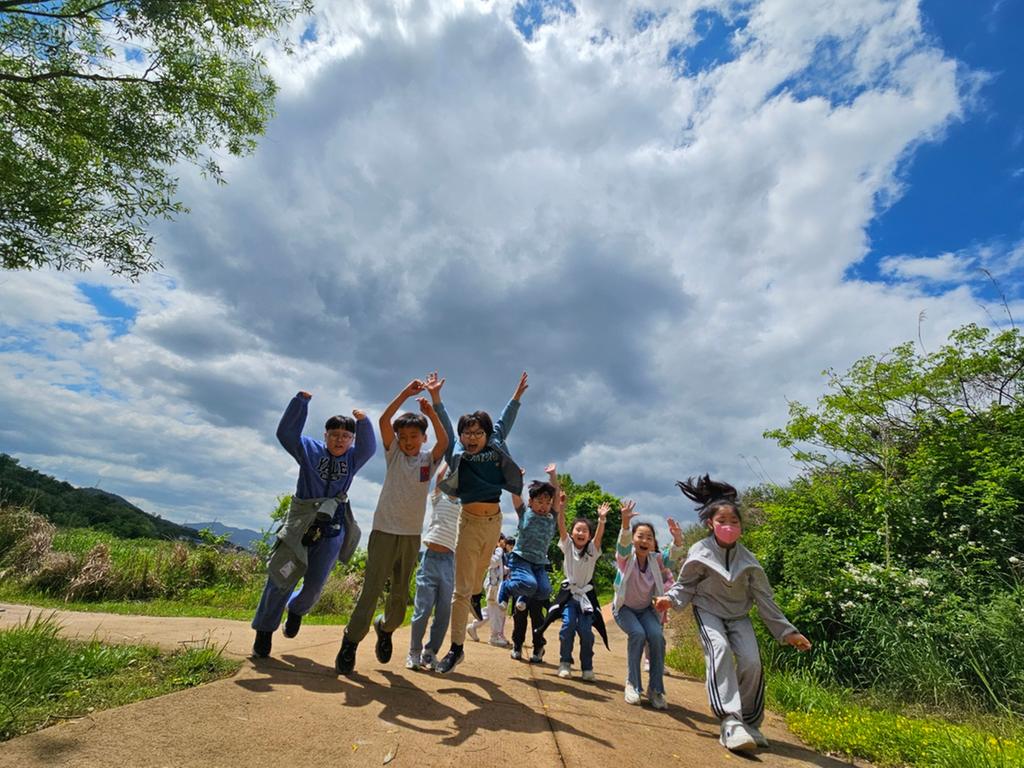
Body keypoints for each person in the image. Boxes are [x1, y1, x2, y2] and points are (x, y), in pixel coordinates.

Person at [655, 476, 812, 753]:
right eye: (722, 521)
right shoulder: (700, 551)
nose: (728, 526)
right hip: (708, 611)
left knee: (752, 661)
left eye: (734, 522)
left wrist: (788, 632)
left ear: (741, 526)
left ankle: (750, 722)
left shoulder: (748, 560)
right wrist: (670, 599)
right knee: (720, 649)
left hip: (739, 615)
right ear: (710, 524)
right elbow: (685, 585)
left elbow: (764, 599)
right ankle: (730, 720)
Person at [334, 374, 448, 675]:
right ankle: (350, 641)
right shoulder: (394, 454)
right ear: (397, 440)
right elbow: (385, 420)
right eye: (404, 437)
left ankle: (385, 629)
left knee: (399, 598)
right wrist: (405, 394)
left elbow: (445, 441)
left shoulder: (428, 461)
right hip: (384, 531)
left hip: (410, 536)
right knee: (371, 591)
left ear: (423, 438)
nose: (408, 441)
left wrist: (432, 412)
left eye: (414, 436)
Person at [251, 391, 375, 658]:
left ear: (352, 440)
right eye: (334, 434)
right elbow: (286, 434)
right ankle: (264, 631)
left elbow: (369, 449)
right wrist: (300, 403)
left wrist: (364, 422)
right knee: (281, 578)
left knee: (315, 586)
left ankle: (296, 610)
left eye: (346, 436)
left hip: (331, 528)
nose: (339, 440)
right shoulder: (309, 450)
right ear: (325, 435)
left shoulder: (353, 458)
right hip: (299, 525)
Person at [433, 372, 529, 674]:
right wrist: (436, 399)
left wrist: (516, 396)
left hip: (493, 523)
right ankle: (456, 648)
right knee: (461, 590)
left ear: (486, 434)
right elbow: (445, 428)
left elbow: (504, 420)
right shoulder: (457, 452)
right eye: (467, 433)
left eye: (477, 433)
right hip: (468, 523)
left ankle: (476, 594)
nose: (472, 438)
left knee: (477, 580)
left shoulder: (495, 443)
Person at [612, 500, 669, 709]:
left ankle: (656, 690)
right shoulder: (626, 558)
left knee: (656, 637)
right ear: (634, 540)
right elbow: (623, 545)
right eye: (640, 536)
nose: (644, 540)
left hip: (645, 610)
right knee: (637, 634)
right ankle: (632, 685)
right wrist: (625, 523)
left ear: (653, 543)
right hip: (624, 608)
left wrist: (678, 540)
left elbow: (672, 559)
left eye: (649, 537)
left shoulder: (656, 560)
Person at [501, 464, 561, 663]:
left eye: (547, 502)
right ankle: (517, 645)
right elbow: (515, 497)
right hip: (522, 566)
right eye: (539, 501)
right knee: (520, 613)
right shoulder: (525, 514)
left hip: (538, 567)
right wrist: (518, 479)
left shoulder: (551, 518)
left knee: (538, 609)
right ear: (531, 502)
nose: (544, 506)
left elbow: (557, 496)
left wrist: (553, 476)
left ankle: (538, 647)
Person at [549, 500, 608, 679]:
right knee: (568, 626)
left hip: (586, 597)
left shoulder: (592, 549)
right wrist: (561, 508)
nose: (581, 533)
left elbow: (599, 537)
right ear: (572, 532)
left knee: (586, 632)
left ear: (589, 536)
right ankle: (564, 663)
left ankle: (587, 668)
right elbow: (561, 526)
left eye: (585, 531)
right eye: (578, 530)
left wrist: (601, 519)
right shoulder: (567, 546)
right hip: (569, 596)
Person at [466, 533, 509, 647]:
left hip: (495, 585)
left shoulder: (497, 552)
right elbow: (493, 562)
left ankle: (473, 627)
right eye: (502, 541)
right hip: (492, 586)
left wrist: (507, 570)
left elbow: (498, 568)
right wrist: (499, 549)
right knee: (495, 611)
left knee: (491, 611)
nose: (504, 543)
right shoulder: (491, 551)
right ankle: (494, 637)